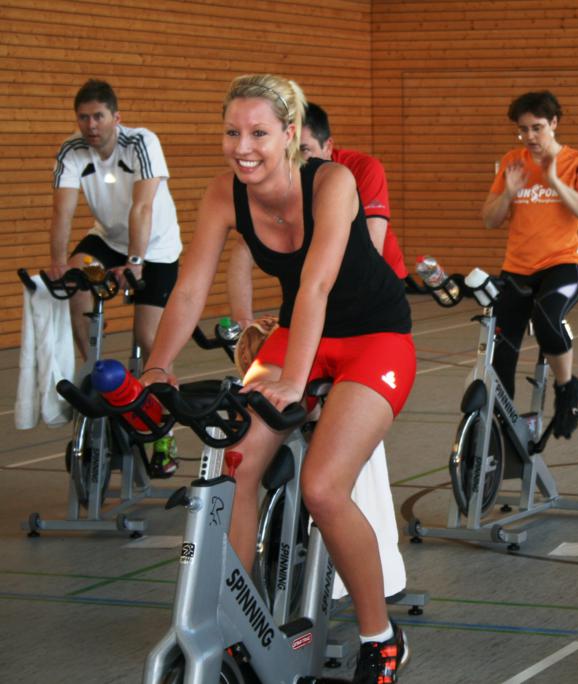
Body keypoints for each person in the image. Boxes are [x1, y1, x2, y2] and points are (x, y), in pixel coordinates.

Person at [140, 74, 413, 683]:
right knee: (234, 464)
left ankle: (381, 637)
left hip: (375, 337)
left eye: (259, 133)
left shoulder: (333, 182)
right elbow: (190, 288)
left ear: (290, 134)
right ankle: (242, 626)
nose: (243, 147)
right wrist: (157, 365)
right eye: (232, 132)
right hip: (298, 334)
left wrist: (293, 380)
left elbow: (316, 285)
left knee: (322, 488)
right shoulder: (224, 193)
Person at [49, 79, 182, 476]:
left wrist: (136, 261)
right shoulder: (72, 150)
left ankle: (164, 436)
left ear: (116, 118)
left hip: (155, 248)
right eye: (84, 118)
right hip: (108, 239)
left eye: (98, 117)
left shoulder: (142, 143)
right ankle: (93, 373)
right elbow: (62, 212)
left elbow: (142, 208)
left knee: (149, 342)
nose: (91, 125)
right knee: (75, 279)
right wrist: (58, 263)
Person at [481, 90, 578, 439]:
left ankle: (567, 391)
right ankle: (502, 426)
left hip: (562, 265)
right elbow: (490, 219)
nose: (530, 137)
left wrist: (555, 183)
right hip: (517, 269)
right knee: (501, 351)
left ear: (554, 123)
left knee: (546, 317)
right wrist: (509, 191)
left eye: (537, 128)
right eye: (523, 130)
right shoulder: (512, 162)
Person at [228, 101, 408, 324]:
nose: (294, 161)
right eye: (287, 151)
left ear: (328, 147)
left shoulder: (363, 169)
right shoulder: (279, 178)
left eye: (304, 150)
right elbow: (243, 250)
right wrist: (243, 321)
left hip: (372, 288)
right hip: (315, 284)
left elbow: (372, 246)